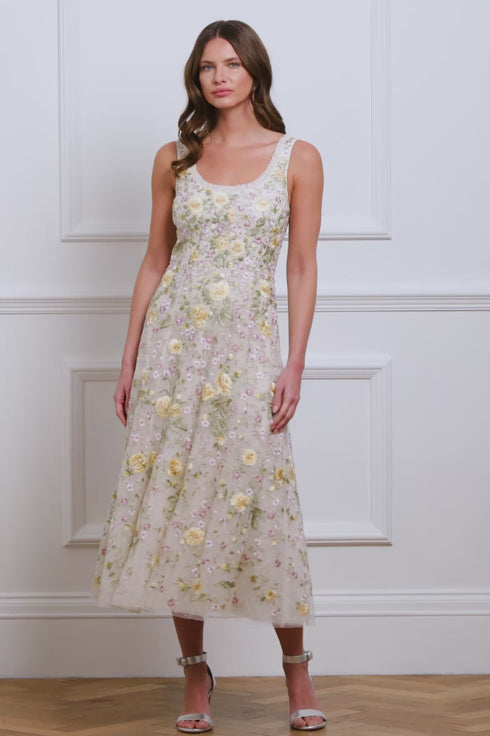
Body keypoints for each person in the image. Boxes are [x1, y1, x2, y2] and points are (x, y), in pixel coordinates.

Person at [92, 19, 325, 733]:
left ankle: (297, 671)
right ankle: (195, 675)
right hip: (173, 354)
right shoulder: (176, 158)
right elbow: (155, 260)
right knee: (176, 507)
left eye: (231, 64)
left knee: (266, 507)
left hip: (248, 355)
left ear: (255, 71)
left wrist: (294, 361)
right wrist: (129, 356)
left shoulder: (296, 157)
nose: (219, 77)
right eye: (206, 67)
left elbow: (301, 266)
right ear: (196, 78)